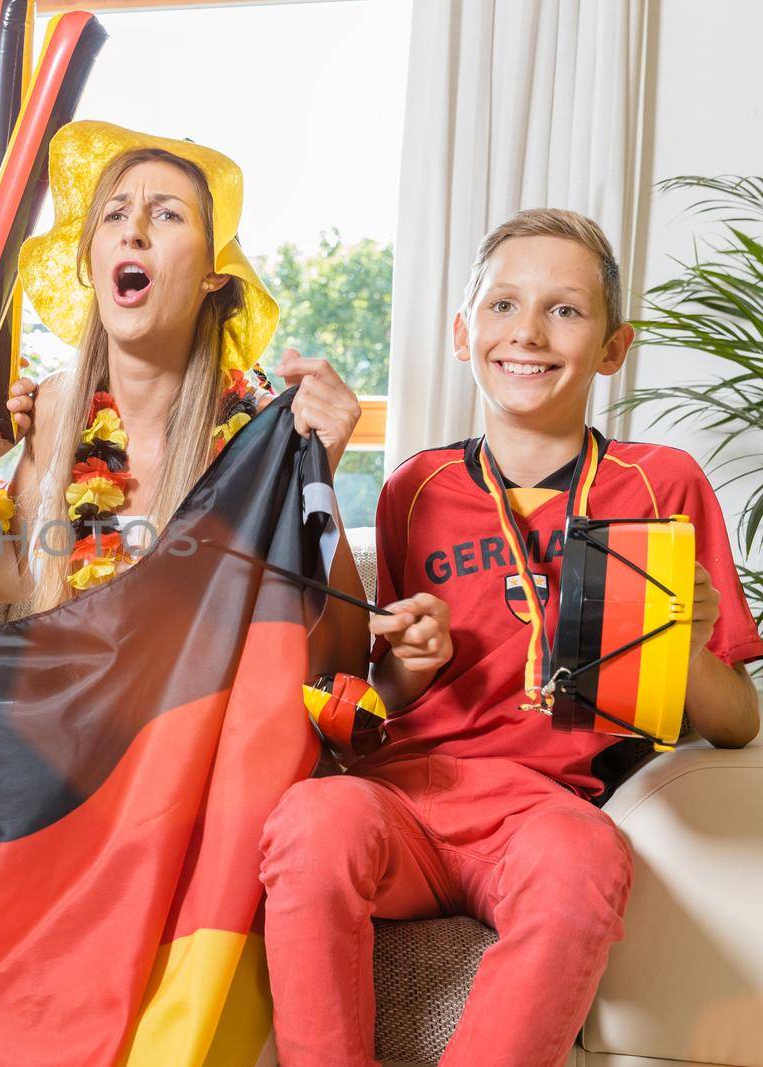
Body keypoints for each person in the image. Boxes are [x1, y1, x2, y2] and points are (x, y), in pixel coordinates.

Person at [258, 208, 763, 1066]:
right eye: (502, 305)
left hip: (546, 808)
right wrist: (406, 669)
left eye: (565, 309)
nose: (527, 331)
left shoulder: (660, 482)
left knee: (582, 861)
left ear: (613, 346)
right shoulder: (416, 487)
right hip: (404, 798)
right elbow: (378, 696)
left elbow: (740, 722)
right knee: (312, 817)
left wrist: (680, 646)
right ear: (462, 332)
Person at [0, 121, 368, 673]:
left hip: (194, 726)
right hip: (70, 715)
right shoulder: (55, 407)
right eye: (114, 214)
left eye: (167, 214)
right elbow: (17, 577)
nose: (134, 230)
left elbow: (343, 657)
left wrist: (318, 473)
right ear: (93, 264)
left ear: (214, 274)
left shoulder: (260, 428)